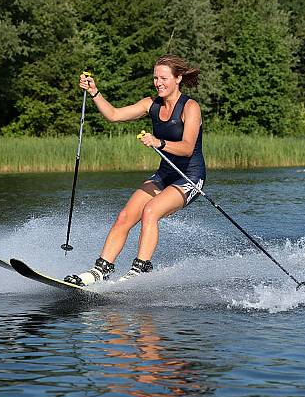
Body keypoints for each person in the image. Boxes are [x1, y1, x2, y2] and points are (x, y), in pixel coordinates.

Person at [65, 54, 206, 286]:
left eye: (163, 78)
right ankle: (100, 270)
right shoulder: (150, 104)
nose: (158, 83)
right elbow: (114, 115)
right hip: (165, 173)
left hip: (189, 176)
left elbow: (188, 147)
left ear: (178, 79)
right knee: (125, 216)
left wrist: (159, 143)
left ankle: (140, 270)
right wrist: (94, 92)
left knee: (150, 211)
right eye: (155, 78)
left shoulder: (190, 107)